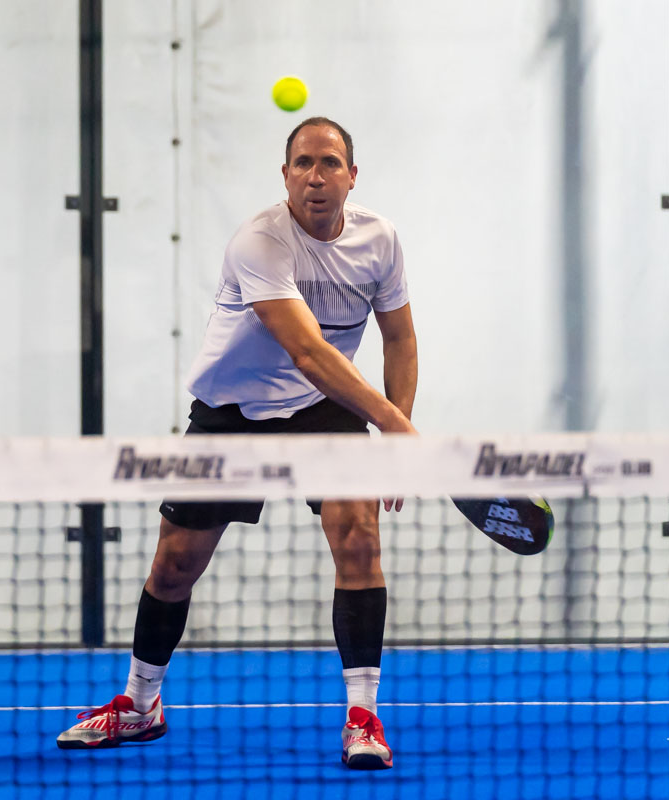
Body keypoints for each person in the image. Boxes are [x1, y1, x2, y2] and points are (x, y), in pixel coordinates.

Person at [57, 117, 418, 770]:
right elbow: (308, 351)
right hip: (234, 410)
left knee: (359, 539)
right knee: (175, 564)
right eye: (303, 163)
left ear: (351, 177)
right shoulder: (260, 241)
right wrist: (393, 424)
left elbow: (400, 338)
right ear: (285, 175)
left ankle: (363, 716)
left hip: (325, 409)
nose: (316, 175)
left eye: (330, 163)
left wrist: (397, 431)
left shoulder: (380, 241)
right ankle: (140, 705)